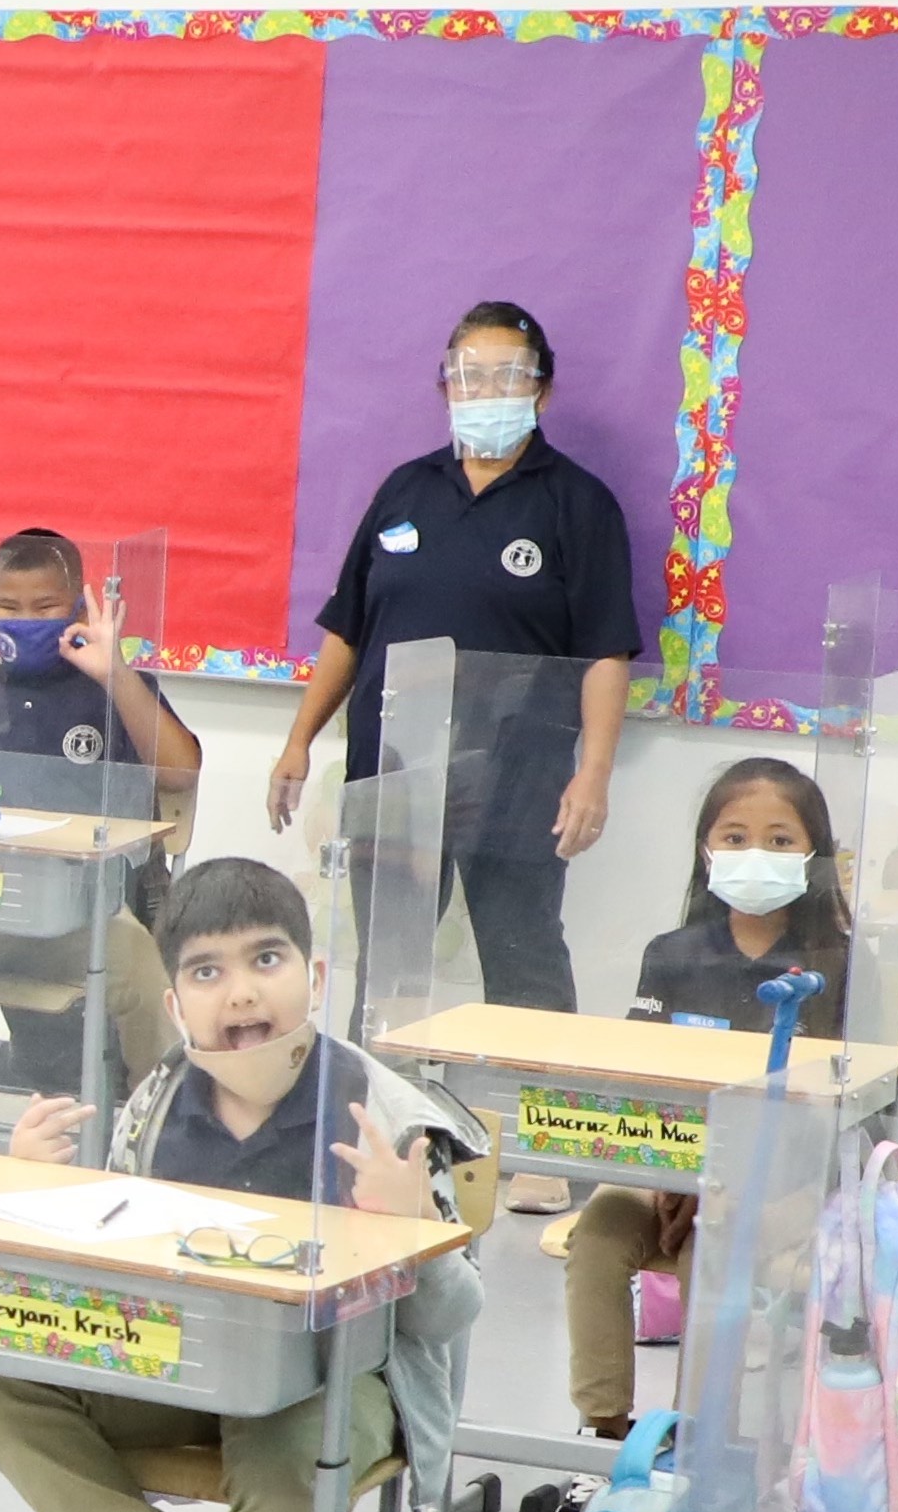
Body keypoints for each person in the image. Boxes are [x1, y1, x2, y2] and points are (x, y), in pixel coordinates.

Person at [0, 855, 451, 1512]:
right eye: (206, 972)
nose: (241, 993)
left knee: (280, 1453)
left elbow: (451, 1316)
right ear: (175, 1004)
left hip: (334, 1379)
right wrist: (36, 1196)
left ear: (315, 976)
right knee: (1, 1388)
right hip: (179, 1362)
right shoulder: (154, 1105)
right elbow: (114, 1264)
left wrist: (417, 1232)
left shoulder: (383, 1112)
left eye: (267, 959)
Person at [259, 300, 641, 1012]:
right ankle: (382, 1084)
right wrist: (298, 741)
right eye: (469, 376)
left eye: (508, 375)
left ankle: (532, 1086)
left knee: (522, 956)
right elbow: (347, 630)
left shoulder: (578, 504)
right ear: (445, 388)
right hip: (395, 772)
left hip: (516, 776)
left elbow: (604, 653)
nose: (487, 391)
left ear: (542, 390)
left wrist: (593, 774)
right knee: (387, 967)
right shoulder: (405, 490)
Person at [568, 758, 851, 1440]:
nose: (756, 854)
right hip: (676, 1168)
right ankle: (607, 1435)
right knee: (598, 1233)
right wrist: (672, 1176)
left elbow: (834, 1114)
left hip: (788, 1184)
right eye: (735, 837)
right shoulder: (671, 952)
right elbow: (641, 1081)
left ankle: (701, 1442)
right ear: (706, 851)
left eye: (780, 840)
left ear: (814, 857)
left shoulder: (839, 966)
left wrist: (719, 1186)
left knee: (711, 1247)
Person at [0, 526, 199, 1117]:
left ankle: (165, 1125)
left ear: (79, 613)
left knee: (148, 977)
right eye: (9, 608)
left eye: (44, 608)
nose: (25, 621)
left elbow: (180, 773)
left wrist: (115, 673)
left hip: (83, 917)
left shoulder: (116, 693)